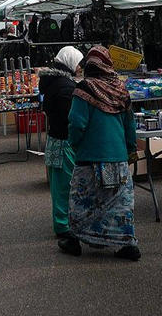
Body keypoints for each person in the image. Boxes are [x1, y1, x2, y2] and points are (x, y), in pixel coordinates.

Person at [59, 45, 140, 261]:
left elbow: (76, 122)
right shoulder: (121, 90)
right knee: (119, 203)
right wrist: (131, 149)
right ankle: (126, 244)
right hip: (118, 157)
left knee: (83, 201)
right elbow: (129, 125)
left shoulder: (84, 89)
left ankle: (75, 239)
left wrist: (74, 143)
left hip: (89, 157)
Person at [40, 46, 84, 239]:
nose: (79, 67)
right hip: (63, 141)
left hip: (54, 139)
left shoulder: (51, 81)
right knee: (66, 186)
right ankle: (64, 226)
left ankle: (62, 222)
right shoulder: (65, 87)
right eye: (78, 63)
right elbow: (71, 118)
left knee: (59, 186)